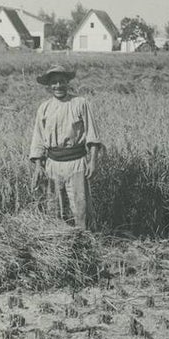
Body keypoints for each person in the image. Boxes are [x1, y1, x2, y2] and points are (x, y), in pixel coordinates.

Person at [29, 65, 103, 229]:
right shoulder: (44, 108)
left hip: (76, 163)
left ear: (67, 82)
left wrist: (93, 162)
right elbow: (38, 138)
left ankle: (84, 243)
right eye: (54, 82)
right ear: (49, 86)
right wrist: (38, 167)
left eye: (61, 81)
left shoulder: (80, 103)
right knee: (55, 207)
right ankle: (60, 246)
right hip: (52, 165)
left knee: (80, 207)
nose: (58, 86)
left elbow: (93, 135)